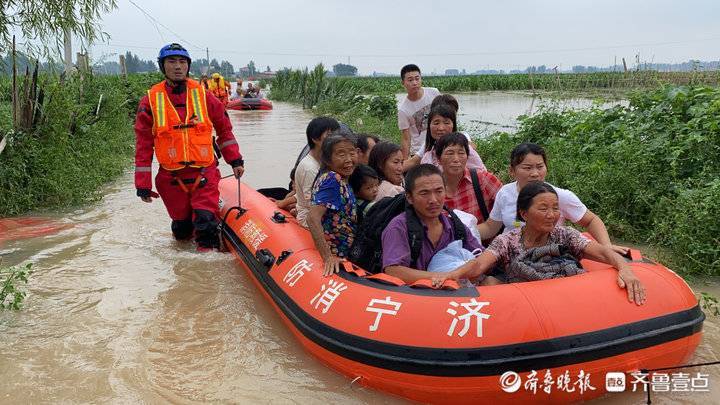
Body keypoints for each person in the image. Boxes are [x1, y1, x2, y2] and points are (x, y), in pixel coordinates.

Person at [431, 182, 647, 305]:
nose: (551, 215)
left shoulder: (565, 235)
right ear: (524, 213)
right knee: (489, 284)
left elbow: (603, 253)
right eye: (543, 209)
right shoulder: (508, 240)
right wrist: (451, 275)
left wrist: (625, 269)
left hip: (566, 298)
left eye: (555, 208)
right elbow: (479, 266)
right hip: (523, 302)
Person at [134, 43, 244, 251]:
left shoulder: (203, 95)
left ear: (188, 66)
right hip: (171, 178)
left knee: (206, 224)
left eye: (182, 62)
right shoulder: (150, 101)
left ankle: (206, 275)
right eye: (172, 62)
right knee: (182, 230)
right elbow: (143, 145)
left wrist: (235, 160)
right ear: (162, 66)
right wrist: (143, 184)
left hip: (204, 173)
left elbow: (224, 129)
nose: (178, 66)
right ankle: (187, 275)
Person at [478, 143, 626, 253]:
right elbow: (491, 227)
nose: (535, 173)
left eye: (540, 167)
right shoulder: (505, 192)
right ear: (512, 171)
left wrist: (606, 247)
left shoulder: (559, 195)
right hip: (510, 253)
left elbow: (591, 220)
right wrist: (463, 231)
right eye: (527, 168)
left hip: (549, 254)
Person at [381, 164, 484, 283]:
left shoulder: (455, 226)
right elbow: (393, 271)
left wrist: (459, 272)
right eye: (424, 193)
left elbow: (482, 258)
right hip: (416, 297)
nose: (433, 200)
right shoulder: (398, 227)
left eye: (439, 191)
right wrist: (446, 276)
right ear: (409, 197)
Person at [308, 130, 359, 276]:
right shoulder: (332, 179)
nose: (349, 159)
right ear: (328, 159)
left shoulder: (341, 178)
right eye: (341, 154)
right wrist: (328, 257)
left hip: (345, 253)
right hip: (336, 253)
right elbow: (312, 218)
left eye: (352, 152)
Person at [436, 132, 502, 224]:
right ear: (439, 159)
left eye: (461, 153)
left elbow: (509, 203)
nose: (456, 159)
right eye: (450, 153)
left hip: (483, 237)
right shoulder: (432, 188)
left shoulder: (482, 179)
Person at [405, 103, 487, 172]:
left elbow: (482, 175)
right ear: (429, 127)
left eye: (446, 123)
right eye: (436, 123)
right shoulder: (427, 157)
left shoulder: (466, 150)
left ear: (453, 126)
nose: (441, 128)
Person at [295, 116, 340, 227]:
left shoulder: (323, 161)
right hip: (310, 220)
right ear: (315, 139)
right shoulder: (310, 168)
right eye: (330, 136)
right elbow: (312, 203)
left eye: (337, 135)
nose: (335, 140)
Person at [397, 64, 441, 159]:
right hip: (419, 152)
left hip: (439, 146)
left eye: (417, 78)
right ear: (403, 83)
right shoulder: (403, 110)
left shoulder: (434, 93)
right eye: (410, 80)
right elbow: (406, 138)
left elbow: (446, 115)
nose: (415, 82)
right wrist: (404, 162)